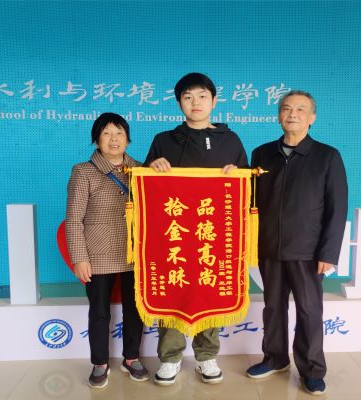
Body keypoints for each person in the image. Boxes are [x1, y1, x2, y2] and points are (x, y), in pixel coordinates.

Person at [144, 72, 248, 386]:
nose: (195, 103)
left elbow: (248, 188)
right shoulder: (164, 140)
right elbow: (145, 189)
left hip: (213, 232)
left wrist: (237, 175)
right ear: (179, 103)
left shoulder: (230, 140)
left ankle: (206, 355)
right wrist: (153, 168)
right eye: (188, 97)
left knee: (209, 288)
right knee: (173, 288)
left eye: (202, 96)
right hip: (173, 231)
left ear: (214, 101)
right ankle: (170, 358)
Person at [246, 91, 348, 396]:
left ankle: (312, 370)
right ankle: (274, 358)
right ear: (279, 115)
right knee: (273, 307)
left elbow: (337, 208)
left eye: (301, 109)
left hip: (308, 250)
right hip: (269, 247)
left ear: (312, 117)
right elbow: (249, 201)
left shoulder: (327, 156)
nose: (292, 114)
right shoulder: (262, 154)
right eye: (287, 108)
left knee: (309, 310)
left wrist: (328, 252)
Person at [66, 112, 149, 389]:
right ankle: (100, 363)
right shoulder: (83, 171)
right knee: (100, 311)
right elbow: (74, 219)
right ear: (97, 139)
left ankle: (131, 358)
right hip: (97, 255)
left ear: (128, 139)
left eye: (119, 133)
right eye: (106, 134)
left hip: (135, 253)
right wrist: (79, 258)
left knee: (135, 309)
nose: (114, 140)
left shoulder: (141, 170)